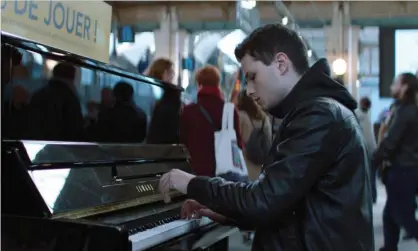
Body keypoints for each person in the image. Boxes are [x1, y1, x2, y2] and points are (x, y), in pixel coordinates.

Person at [158, 24, 374, 251]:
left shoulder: (318, 115)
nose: (249, 90)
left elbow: (264, 200)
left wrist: (191, 182)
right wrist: (228, 214)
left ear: (281, 64)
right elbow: (286, 204)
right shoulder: (314, 111)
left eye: (253, 77)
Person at [372, 72, 418, 251]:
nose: (392, 87)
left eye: (395, 84)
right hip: (404, 168)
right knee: (390, 214)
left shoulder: (406, 112)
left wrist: (374, 160)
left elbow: (391, 141)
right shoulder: (404, 109)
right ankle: (390, 247)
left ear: (404, 87)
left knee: (404, 216)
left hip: (403, 170)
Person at [179, 65, 243, 179]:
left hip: (196, 174)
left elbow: (182, 143)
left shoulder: (188, 111)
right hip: (224, 175)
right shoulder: (229, 110)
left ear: (199, 84)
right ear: (218, 84)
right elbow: (238, 144)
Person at [236, 90, 272, 181]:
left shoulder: (240, 116)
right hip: (259, 164)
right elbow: (268, 141)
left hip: (244, 162)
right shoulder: (264, 118)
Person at [146, 58, 182, 144]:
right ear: (164, 72)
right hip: (164, 144)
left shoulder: (146, 87)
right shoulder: (171, 94)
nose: (173, 75)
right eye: (170, 72)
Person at [355, 96, 377, 203]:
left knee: (365, 175)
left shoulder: (357, 115)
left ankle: (368, 196)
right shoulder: (368, 116)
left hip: (364, 150)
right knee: (371, 175)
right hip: (372, 150)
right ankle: (373, 196)